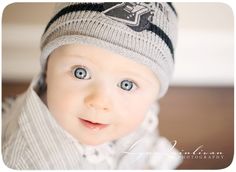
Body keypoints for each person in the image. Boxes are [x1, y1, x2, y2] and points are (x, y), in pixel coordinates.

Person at [2, 2, 182, 169]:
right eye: (80, 72)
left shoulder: (137, 114)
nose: (99, 102)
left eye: (127, 85)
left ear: (155, 93)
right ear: (47, 68)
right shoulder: (27, 161)